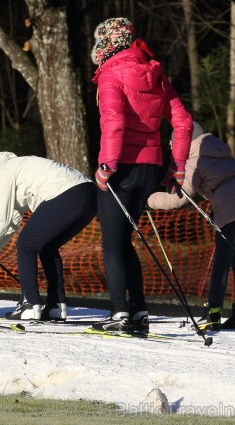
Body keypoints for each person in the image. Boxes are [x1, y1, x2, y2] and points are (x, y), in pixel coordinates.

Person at [91, 17, 193, 332]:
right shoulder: (155, 73)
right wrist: (177, 166)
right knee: (125, 241)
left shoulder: (111, 74)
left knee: (112, 241)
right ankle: (138, 311)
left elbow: (115, 122)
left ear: (106, 44)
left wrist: (107, 166)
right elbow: (184, 122)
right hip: (151, 168)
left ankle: (119, 313)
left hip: (121, 167)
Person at [148, 123, 235, 331]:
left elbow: (180, 198)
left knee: (221, 264)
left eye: (175, 144)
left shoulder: (195, 159)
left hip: (234, 210)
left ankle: (212, 314)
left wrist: (148, 201)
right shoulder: (220, 152)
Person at [0, 152, 97, 321]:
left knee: (25, 244)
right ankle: (56, 306)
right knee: (47, 246)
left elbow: (1, 221)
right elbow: (10, 223)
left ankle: (30, 305)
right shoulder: (9, 170)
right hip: (89, 194)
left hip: (67, 192)